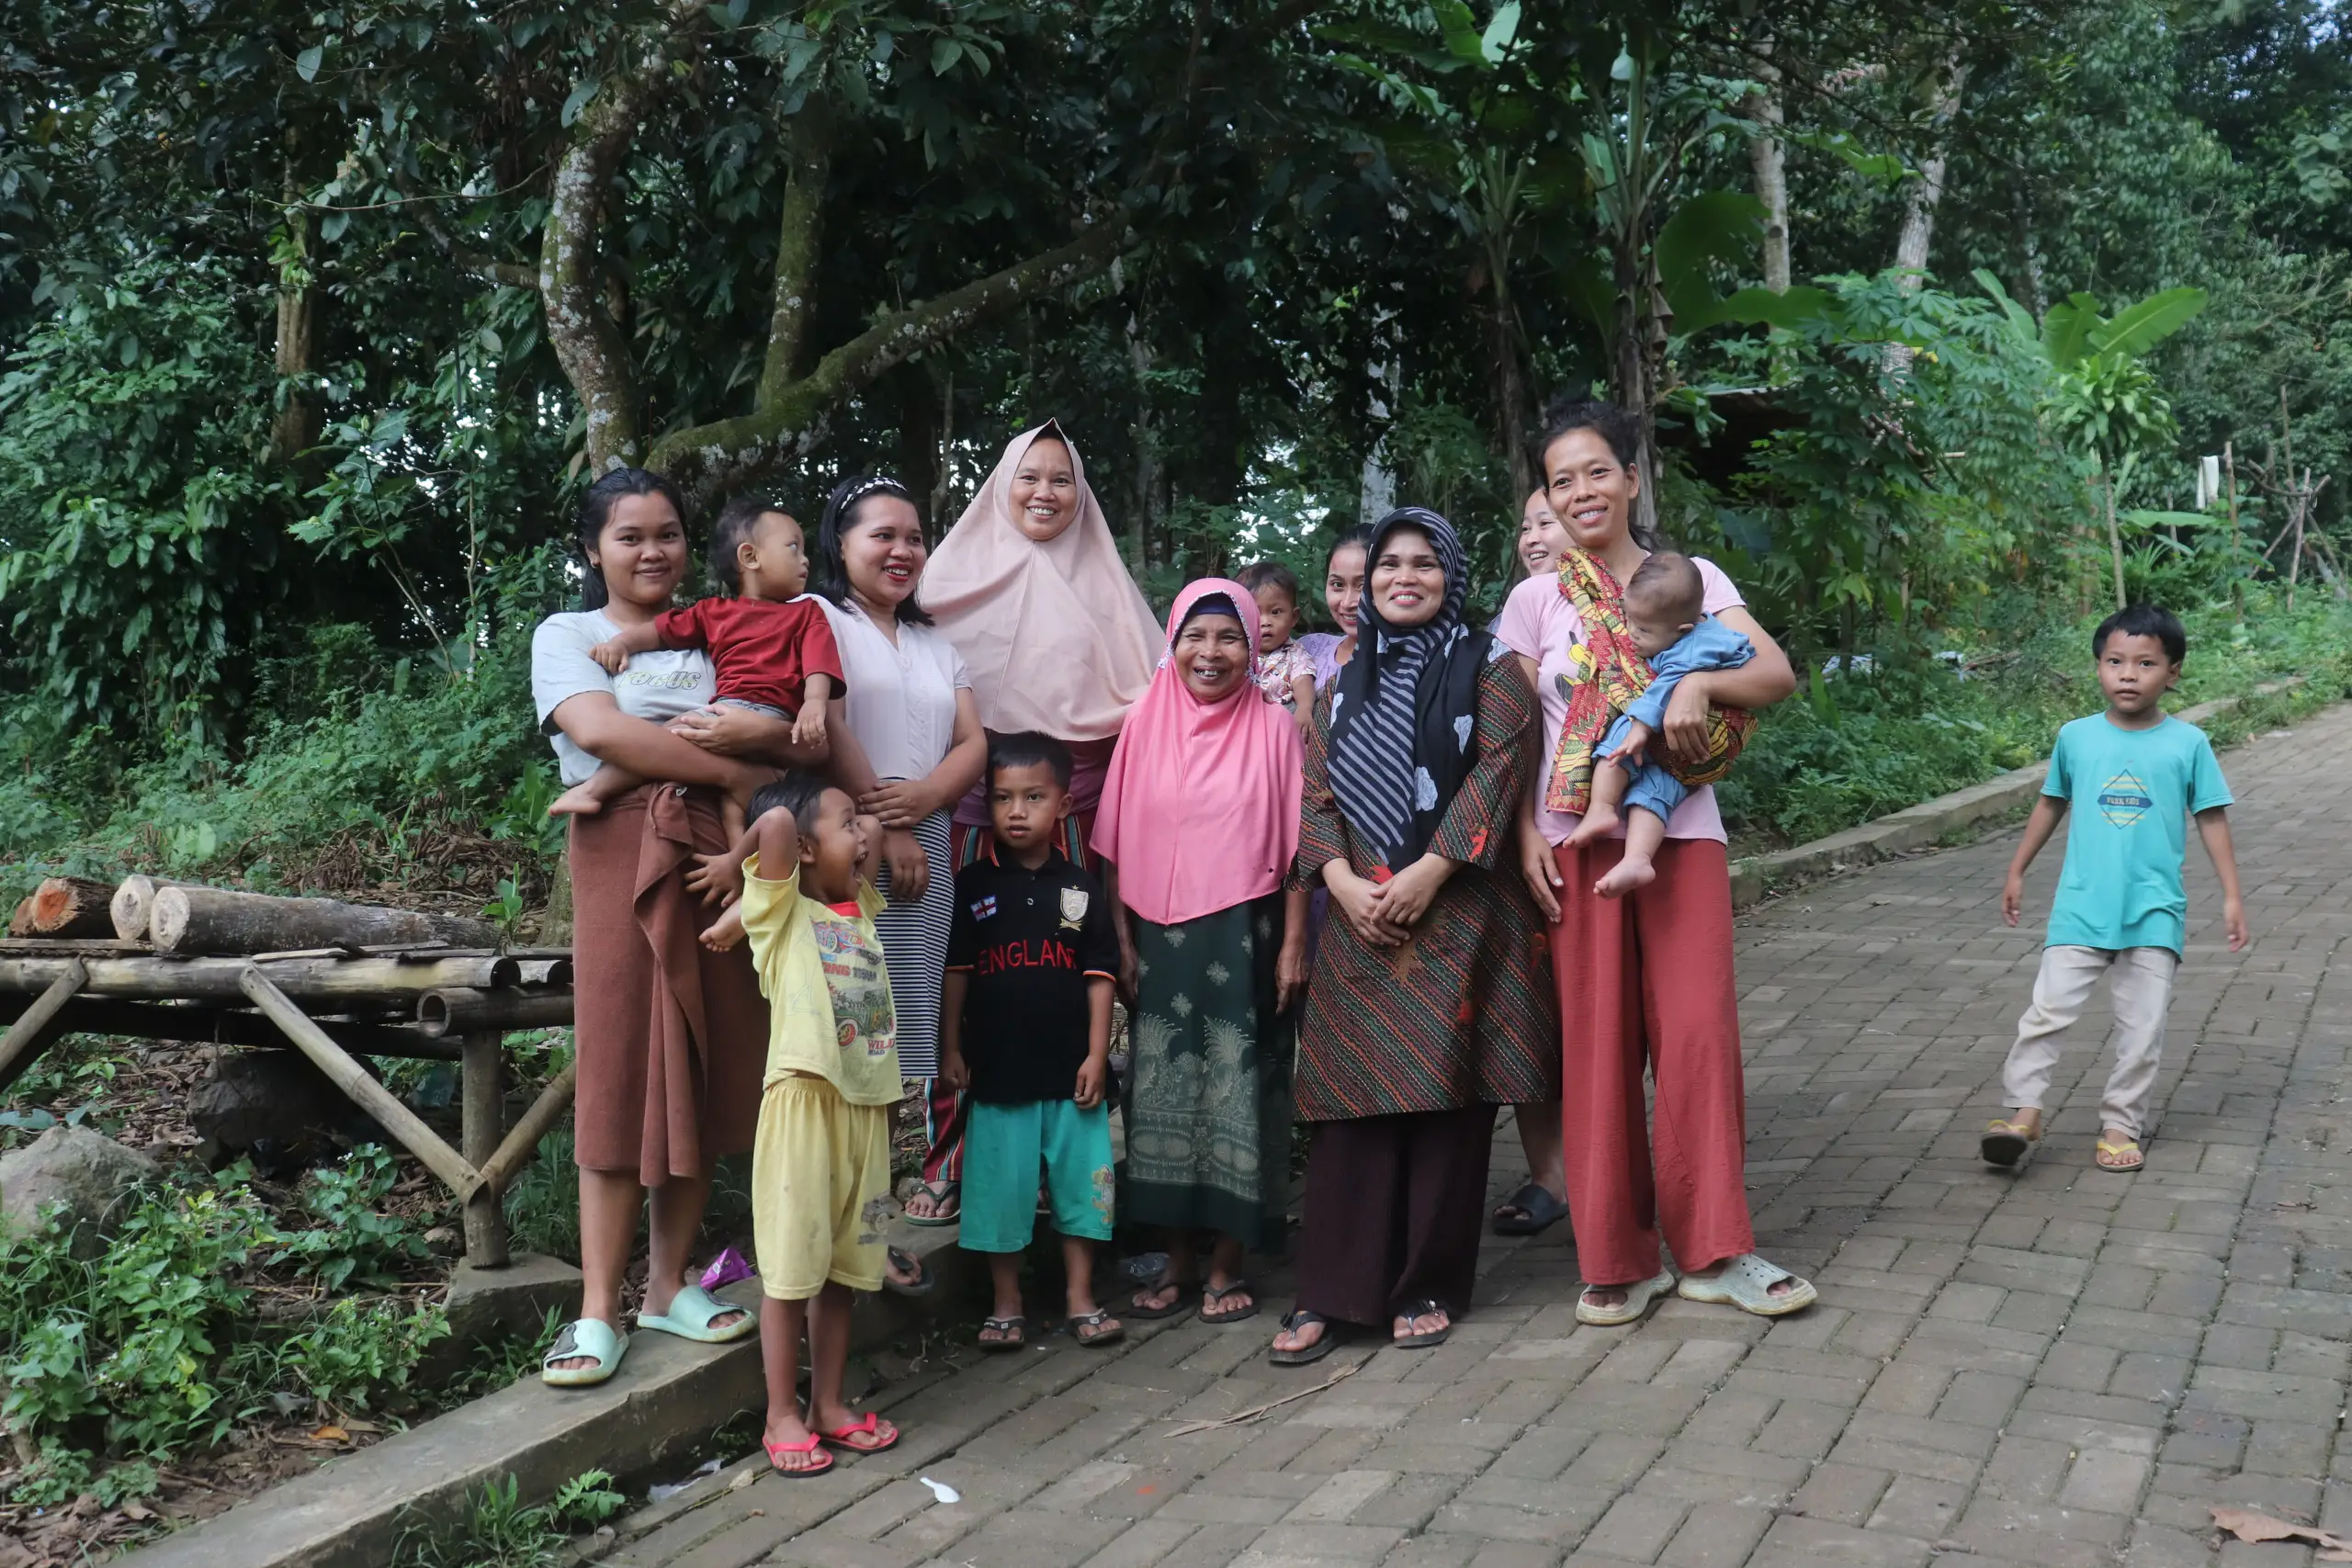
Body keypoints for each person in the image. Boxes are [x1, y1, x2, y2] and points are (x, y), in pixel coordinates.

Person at [1498, 398, 1815, 1325]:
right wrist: (1522, 834)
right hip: (1571, 842)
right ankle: (1616, 1258)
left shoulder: (1694, 579)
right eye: (1562, 480)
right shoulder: (1534, 600)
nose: (1581, 491)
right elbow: (1514, 734)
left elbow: (1773, 674)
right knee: (1596, 1050)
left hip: (1680, 837)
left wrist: (1698, 683)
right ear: (1547, 499)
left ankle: (1717, 1249)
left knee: (1697, 1038)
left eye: (1597, 470)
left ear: (1632, 478)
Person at [531, 469, 821, 1386]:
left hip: (716, 858)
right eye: (629, 536)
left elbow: (781, 731)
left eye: (667, 533)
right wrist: (733, 770)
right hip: (619, 847)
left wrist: (746, 770)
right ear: (591, 550)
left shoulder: (719, 623)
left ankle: (666, 1285)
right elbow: (601, 734)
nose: (653, 551)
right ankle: (593, 1311)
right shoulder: (568, 634)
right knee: (620, 1063)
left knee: (701, 1059)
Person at [1268, 509, 1558, 1367]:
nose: (1403, 578)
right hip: (1360, 913)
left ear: (1451, 575)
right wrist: (1340, 881)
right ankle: (1332, 1289)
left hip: (1458, 912)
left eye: (1424, 564)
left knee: (1445, 1102)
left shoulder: (1493, 666)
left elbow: (1498, 771)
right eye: (1388, 563)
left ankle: (1425, 1283)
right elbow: (1314, 789)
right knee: (1348, 1106)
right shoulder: (1344, 678)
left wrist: (1430, 872)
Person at [911, 421, 1160, 1223]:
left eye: (1062, 479)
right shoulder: (945, 581)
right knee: (962, 979)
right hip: (969, 814)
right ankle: (949, 1158)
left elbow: (1150, 706)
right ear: (1001, 486)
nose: (1046, 493)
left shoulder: (1107, 585)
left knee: (1064, 980)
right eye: (1030, 477)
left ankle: (1063, 1162)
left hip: (1077, 819)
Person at [1094, 580, 1309, 1327]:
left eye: (1229, 638)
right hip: (1158, 939)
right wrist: (1121, 940)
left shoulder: (1275, 727)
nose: (1210, 653)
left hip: (1246, 935)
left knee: (1240, 1089)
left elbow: (1297, 851)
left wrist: (1294, 946)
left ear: (1253, 646)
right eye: (1195, 636)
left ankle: (1228, 1262)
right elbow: (1115, 844)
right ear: (1173, 642)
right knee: (1160, 1092)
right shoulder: (1142, 724)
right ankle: (1179, 1257)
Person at [1983, 604, 2247, 1174]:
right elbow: (2052, 801)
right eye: (2115, 662)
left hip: (2154, 913)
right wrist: (2017, 868)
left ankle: (2120, 1124)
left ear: (2172, 672)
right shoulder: (2075, 737)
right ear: (2099, 667)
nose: (2128, 674)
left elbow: (2211, 816)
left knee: (2142, 1028)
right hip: (2079, 909)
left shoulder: (2188, 743)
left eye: (2146, 663)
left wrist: (2231, 894)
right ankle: (2023, 1112)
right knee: (2045, 1014)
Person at [698, 773, 903, 1476]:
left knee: (844, 1269)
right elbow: (781, 819)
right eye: (847, 824)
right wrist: (737, 864)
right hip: (804, 1103)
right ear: (809, 851)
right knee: (790, 1271)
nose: (863, 833)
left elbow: (863, 840)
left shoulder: (859, 906)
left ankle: (828, 1403)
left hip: (864, 1110)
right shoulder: (781, 910)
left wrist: (857, 827)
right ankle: (780, 1411)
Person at [804, 475, 988, 1208]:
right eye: (882, 534)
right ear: (840, 544)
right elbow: (832, 723)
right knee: (846, 1032)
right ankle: (830, 1216)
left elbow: (974, 739)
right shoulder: (816, 616)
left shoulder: (936, 641)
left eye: (914, 536)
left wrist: (928, 804)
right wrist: (897, 822)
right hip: (846, 845)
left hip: (929, 839)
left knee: (898, 1039)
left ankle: (869, 1217)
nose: (902, 549)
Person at [941, 733, 1124, 1351]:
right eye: (1002, 798)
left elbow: (1100, 977)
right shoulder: (971, 886)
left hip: (1073, 1075)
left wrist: (1098, 1054)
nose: (1016, 810)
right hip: (999, 1074)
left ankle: (1080, 1296)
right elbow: (956, 975)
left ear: (1064, 804)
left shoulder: (1081, 887)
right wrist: (950, 1049)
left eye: (1033, 796)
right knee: (1000, 1189)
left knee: (1083, 1186)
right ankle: (1006, 1302)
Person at [555, 497, 843, 844]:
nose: (805, 559)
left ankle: (598, 790)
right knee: (731, 803)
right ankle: (737, 866)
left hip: (774, 716)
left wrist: (814, 703)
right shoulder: (714, 612)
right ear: (750, 557)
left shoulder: (807, 612)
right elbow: (662, 631)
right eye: (793, 548)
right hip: (729, 712)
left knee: (684, 739)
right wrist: (623, 644)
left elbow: (818, 661)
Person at [1565, 551, 1756, 899]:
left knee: (1618, 738)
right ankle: (1638, 858)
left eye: (1643, 629)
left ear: (1683, 629)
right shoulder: (1704, 633)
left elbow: (1664, 688)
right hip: (1692, 752)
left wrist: (1638, 727)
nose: (1631, 634)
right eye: (1629, 620)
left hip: (1698, 729)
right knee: (1657, 790)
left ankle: (1602, 808)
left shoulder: (1693, 646)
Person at [1488, 487, 1575, 1239]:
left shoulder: (1643, 605)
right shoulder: (1522, 611)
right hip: (1530, 841)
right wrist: (1516, 832)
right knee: (1533, 1014)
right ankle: (1551, 1173)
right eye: (1525, 525)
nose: (1534, 535)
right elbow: (1507, 737)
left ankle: (1604, 1165)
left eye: (1545, 520)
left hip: (1616, 833)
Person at [1297, 524, 1373, 691]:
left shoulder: (1409, 666)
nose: (1347, 602)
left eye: (1363, 586)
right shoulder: (1306, 650)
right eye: (1337, 584)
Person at [1238, 560, 1316, 715]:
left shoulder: (1294, 652)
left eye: (1275, 612)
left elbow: (1302, 681)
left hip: (1281, 713)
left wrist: (1304, 709)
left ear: (1293, 617)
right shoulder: (1236, 651)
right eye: (1255, 612)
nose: (1265, 622)